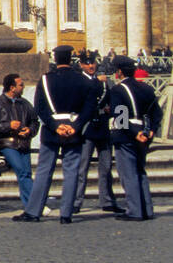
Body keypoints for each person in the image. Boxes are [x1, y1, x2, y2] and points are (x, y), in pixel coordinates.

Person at [17, 45, 96, 224]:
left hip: (52, 130)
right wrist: (75, 126)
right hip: (73, 129)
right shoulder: (83, 81)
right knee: (71, 172)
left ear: (56, 59)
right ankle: (66, 214)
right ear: (70, 59)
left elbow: (39, 108)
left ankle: (33, 211)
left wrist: (55, 126)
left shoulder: (46, 80)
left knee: (44, 171)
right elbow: (89, 108)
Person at [108, 56, 162, 221]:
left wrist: (133, 133)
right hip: (144, 131)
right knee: (141, 171)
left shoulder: (118, 90)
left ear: (119, 72)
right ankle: (147, 209)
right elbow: (156, 113)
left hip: (127, 133)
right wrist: (149, 130)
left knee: (128, 173)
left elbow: (121, 115)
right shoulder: (145, 88)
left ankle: (135, 210)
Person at [0, 73, 38, 208]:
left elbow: (35, 122)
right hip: (6, 144)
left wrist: (30, 131)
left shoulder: (25, 104)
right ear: (12, 88)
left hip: (23, 143)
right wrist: (8, 126)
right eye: (21, 85)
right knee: (23, 172)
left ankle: (31, 205)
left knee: (26, 173)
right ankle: (35, 205)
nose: (23, 87)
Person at [74, 55, 118, 214]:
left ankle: (107, 200)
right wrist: (97, 82)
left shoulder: (105, 82)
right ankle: (76, 201)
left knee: (106, 167)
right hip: (86, 128)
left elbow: (114, 101)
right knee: (82, 168)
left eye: (92, 62)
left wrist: (110, 110)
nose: (90, 66)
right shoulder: (79, 81)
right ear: (81, 65)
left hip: (102, 127)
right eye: (87, 63)